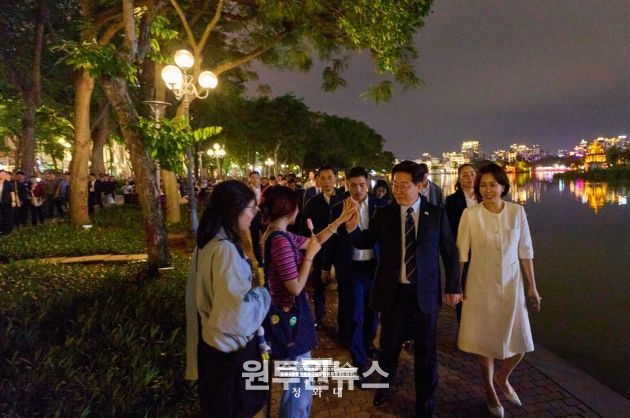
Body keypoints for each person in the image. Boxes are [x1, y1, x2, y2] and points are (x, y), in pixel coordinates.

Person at [345, 160, 461, 417]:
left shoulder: (436, 214)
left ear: (421, 185)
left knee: (426, 354)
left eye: (404, 185)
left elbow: (450, 252)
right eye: (395, 185)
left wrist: (454, 286)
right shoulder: (384, 213)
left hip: (424, 295)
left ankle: (425, 405)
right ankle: (384, 386)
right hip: (393, 294)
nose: (397, 190)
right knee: (388, 348)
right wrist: (352, 227)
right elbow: (365, 241)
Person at [259, 185, 355, 418]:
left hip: (285, 315)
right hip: (288, 319)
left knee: (297, 384)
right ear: (288, 209)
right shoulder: (279, 241)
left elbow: (315, 241)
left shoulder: (277, 233)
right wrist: (310, 257)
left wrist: (340, 220)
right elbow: (295, 286)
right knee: (299, 387)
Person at [456, 163, 541, 418]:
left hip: (512, 285)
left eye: (493, 184)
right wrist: (456, 286)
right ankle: (490, 390)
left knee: (521, 342)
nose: (488, 190)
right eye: (483, 185)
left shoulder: (517, 212)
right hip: (480, 285)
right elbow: (462, 254)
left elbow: (525, 250)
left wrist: (533, 287)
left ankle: (503, 377)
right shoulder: (470, 214)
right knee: (485, 343)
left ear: (503, 186)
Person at [185, 180, 271, 418]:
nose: (255, 214)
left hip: (211, 351)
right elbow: (236, 315)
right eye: (251, 208)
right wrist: (263, 295)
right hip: (230, 355)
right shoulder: (225, 250)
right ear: (235, 210)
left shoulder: (207, 243)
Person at [327, 167, 379, 379]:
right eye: (353, 185)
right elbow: (332, 240)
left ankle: (367, 343)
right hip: (351, 268)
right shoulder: (338, 208)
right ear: (346, 184)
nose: (358, 189)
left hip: (374, 267)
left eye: (362, 185)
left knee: (373, 312)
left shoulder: (382, 206)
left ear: (368, 183)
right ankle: (359, 360)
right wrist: (326, 266)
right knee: (355, 314)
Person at [301, 166, 344, 330]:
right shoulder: (313, 203)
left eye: (330, 177)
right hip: (320, 248)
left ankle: (342, 321)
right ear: (318, 180)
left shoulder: (344, 200)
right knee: (318, 285)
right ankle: (320, 317)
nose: (327, 182)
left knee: (343, 285)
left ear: (335, 178)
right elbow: (305, 228)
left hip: (339, 249)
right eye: (323, 178)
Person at [444, 163, 480, 322]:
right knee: (463, 287)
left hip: (483, 250)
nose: (470, 177)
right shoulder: (452, 201)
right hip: (462, 251)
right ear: (459, 179)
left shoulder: (485, 197)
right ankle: (463, 326)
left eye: (472, 173)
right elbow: (449, 228)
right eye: (465, 175)